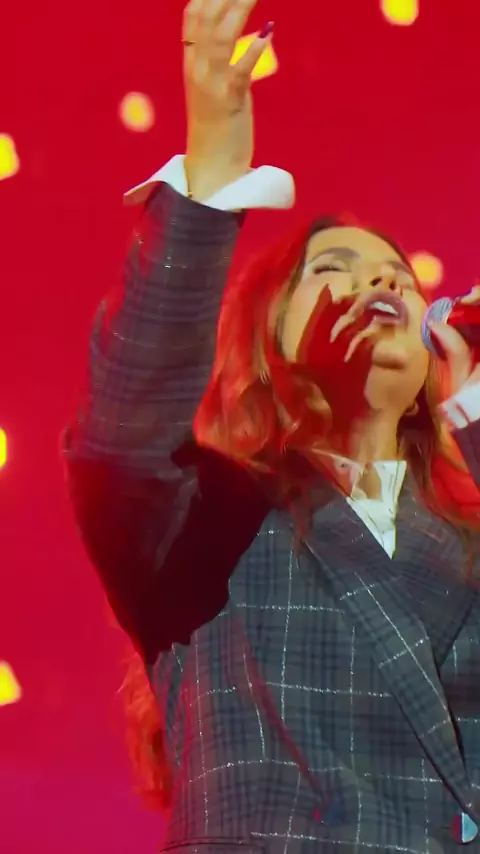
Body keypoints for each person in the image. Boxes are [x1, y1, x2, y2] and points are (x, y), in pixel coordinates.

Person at [64, 1, 480, 851]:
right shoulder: (205, 522)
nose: (380, 286)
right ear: (268, 339)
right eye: (335, 270)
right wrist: (212, 175)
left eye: (397, 277)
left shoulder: (467, 537)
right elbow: (123, 431)